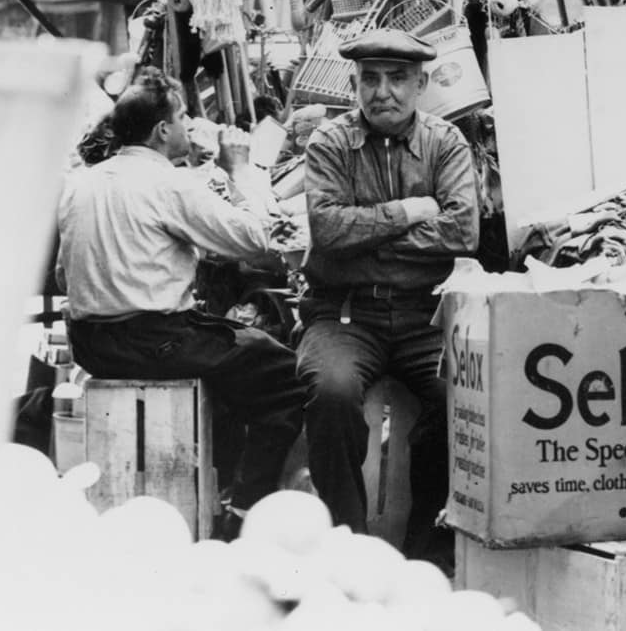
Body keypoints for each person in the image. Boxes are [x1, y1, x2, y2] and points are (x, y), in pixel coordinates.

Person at [56, 67, 304, 521]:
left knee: (232, 361)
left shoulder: (81, 184)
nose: (191, 126)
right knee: (286, 377)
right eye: (185, 116)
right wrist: (241, 169)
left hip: (91, 344)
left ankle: (220, 490)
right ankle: (246, 509)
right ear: (162, 130)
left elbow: (62, 275)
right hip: (152, 342)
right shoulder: (169, 183)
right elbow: (256, 239)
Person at [297, 29, 478, 572]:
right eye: (370, 79)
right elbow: (327, 230)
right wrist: (410, 212)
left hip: (427, 315)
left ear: (421, 84)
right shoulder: (329, 143)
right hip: (346, 314)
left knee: (463, 400)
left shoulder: (445, 143)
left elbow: (464, 231)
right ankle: (348, 549)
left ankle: (428, 550)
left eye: (397, 79)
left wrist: (368, 239)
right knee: (330, 393)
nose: (383, 92)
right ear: (355, 82)